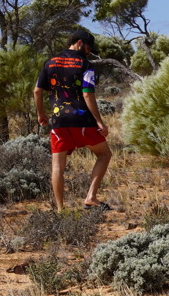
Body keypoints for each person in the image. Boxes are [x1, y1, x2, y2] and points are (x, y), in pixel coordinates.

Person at [34, 29, 112, 211]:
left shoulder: (50, 62)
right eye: (88, 47)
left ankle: (61, 210)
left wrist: (41, 115)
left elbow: (37, 91)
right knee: (104, 154)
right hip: (82, 120)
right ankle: (91, 197)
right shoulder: (85, 64)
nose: (88, 51)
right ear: (79, 43)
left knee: (57, 166)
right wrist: (99, 122)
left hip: (58, 121)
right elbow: (87, 94)